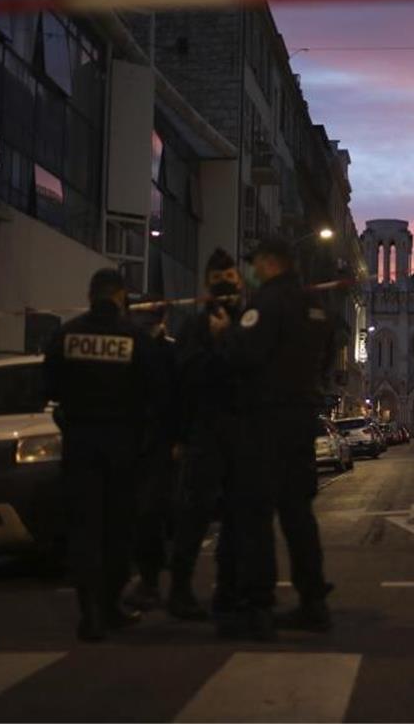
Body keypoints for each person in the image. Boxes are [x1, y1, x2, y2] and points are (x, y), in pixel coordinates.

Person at [208, 236, 336, 640]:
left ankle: (258, 606)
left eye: (255, 264)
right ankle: (313, 601)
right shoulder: (315, 306)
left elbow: (243, 355)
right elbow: (328, 358)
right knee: (298, 513)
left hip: (265, 422)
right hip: (302, 420)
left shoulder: (266, 303)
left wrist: (224, 332)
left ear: (268, 263)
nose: (252, 271)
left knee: (255, 514)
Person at [43, 269, 161, 642]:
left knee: (84, 530)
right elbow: (153, 391)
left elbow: (49, 388)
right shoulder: (134, 338)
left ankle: (89, 612)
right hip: (122, 447)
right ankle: (109, 606)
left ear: (91, 293)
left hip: (80, 444)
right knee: (116, 529)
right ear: (120, 295)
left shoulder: (65, 335)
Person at [167, 249, 247, 621]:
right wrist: (181, 437)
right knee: (195, 516)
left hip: (238, 435)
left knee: (235, 519)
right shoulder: (196, 328)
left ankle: (228, 591)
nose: (226, 284)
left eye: (230, 276)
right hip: (205, 434)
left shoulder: (248, 323)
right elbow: (186, 381)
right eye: (219, 278)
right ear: (207, 284)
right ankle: (180, 590)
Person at [125, 296, 180, 612]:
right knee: (142, 512)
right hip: (140, 442)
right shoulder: (139, 350)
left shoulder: (166, 353)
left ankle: (149, 578)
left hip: (153, 443)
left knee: (149, 511)